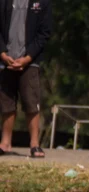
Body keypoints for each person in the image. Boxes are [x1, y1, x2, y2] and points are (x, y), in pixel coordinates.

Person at [0, 0, 52, 158]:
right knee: (6, 103)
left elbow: (45, 32)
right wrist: (2, 53)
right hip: (5, 60)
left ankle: (35, 144)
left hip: (30, 61)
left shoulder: (42, 2)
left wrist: (27, 57)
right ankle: (5, 143)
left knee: (31, 102)